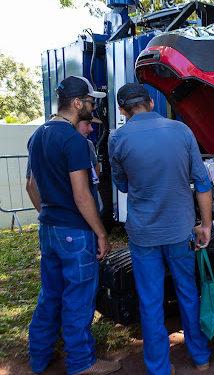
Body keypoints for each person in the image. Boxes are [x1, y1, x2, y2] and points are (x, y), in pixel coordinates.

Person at [108, 83, 212, 373]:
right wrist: (205, 225)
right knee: (188, 292)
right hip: (181, 230)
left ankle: (159, 368)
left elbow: (122, 184)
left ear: (122, 110)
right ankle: (201, 356)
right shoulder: (181, 131)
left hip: (143, 234)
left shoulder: (117, 138)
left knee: (150, 300)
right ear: (151, 103)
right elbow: (202, 184)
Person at [25, 76, 120, 375]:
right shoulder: (74, 141)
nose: (93, 108)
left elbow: (30, 185)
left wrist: (50, 214)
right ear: (77, 103)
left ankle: (38, 358)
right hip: (75, 233)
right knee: (78, 298)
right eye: (91, 102)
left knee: (50, 295)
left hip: (49, 228)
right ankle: (81, 363)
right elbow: (82, 195)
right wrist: (101, 233)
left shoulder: (37, 135)